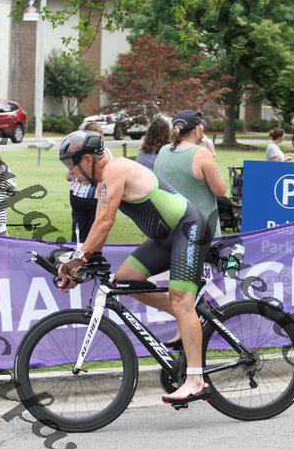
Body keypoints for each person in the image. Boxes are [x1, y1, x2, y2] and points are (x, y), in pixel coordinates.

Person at [57, 129, 213, 405]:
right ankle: (187, 318)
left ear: (88, 160)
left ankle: (196, 380)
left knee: (181, 301)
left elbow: (105, 222)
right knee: (127, 279)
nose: (71, 173)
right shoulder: (105, 181)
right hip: (165, 237)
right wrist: (81, 263)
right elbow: (97, 229)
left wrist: (78, 259)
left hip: (188, 229)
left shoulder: (115, 169)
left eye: (72, 164)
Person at [155, 110, 226, 239]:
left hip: (169, 229)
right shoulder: (201, 153)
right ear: (198, 129)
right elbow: (221, 190)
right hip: (200, 231)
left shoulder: (163, 151)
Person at [67, 121, 113, 243]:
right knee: (94, 231)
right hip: (95, 198)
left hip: (76, 195)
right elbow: (110, 174)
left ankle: (76, 250)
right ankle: (91, 252)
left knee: (77, 230)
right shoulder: (105, 153)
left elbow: (68, 176)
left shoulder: (76, 152)